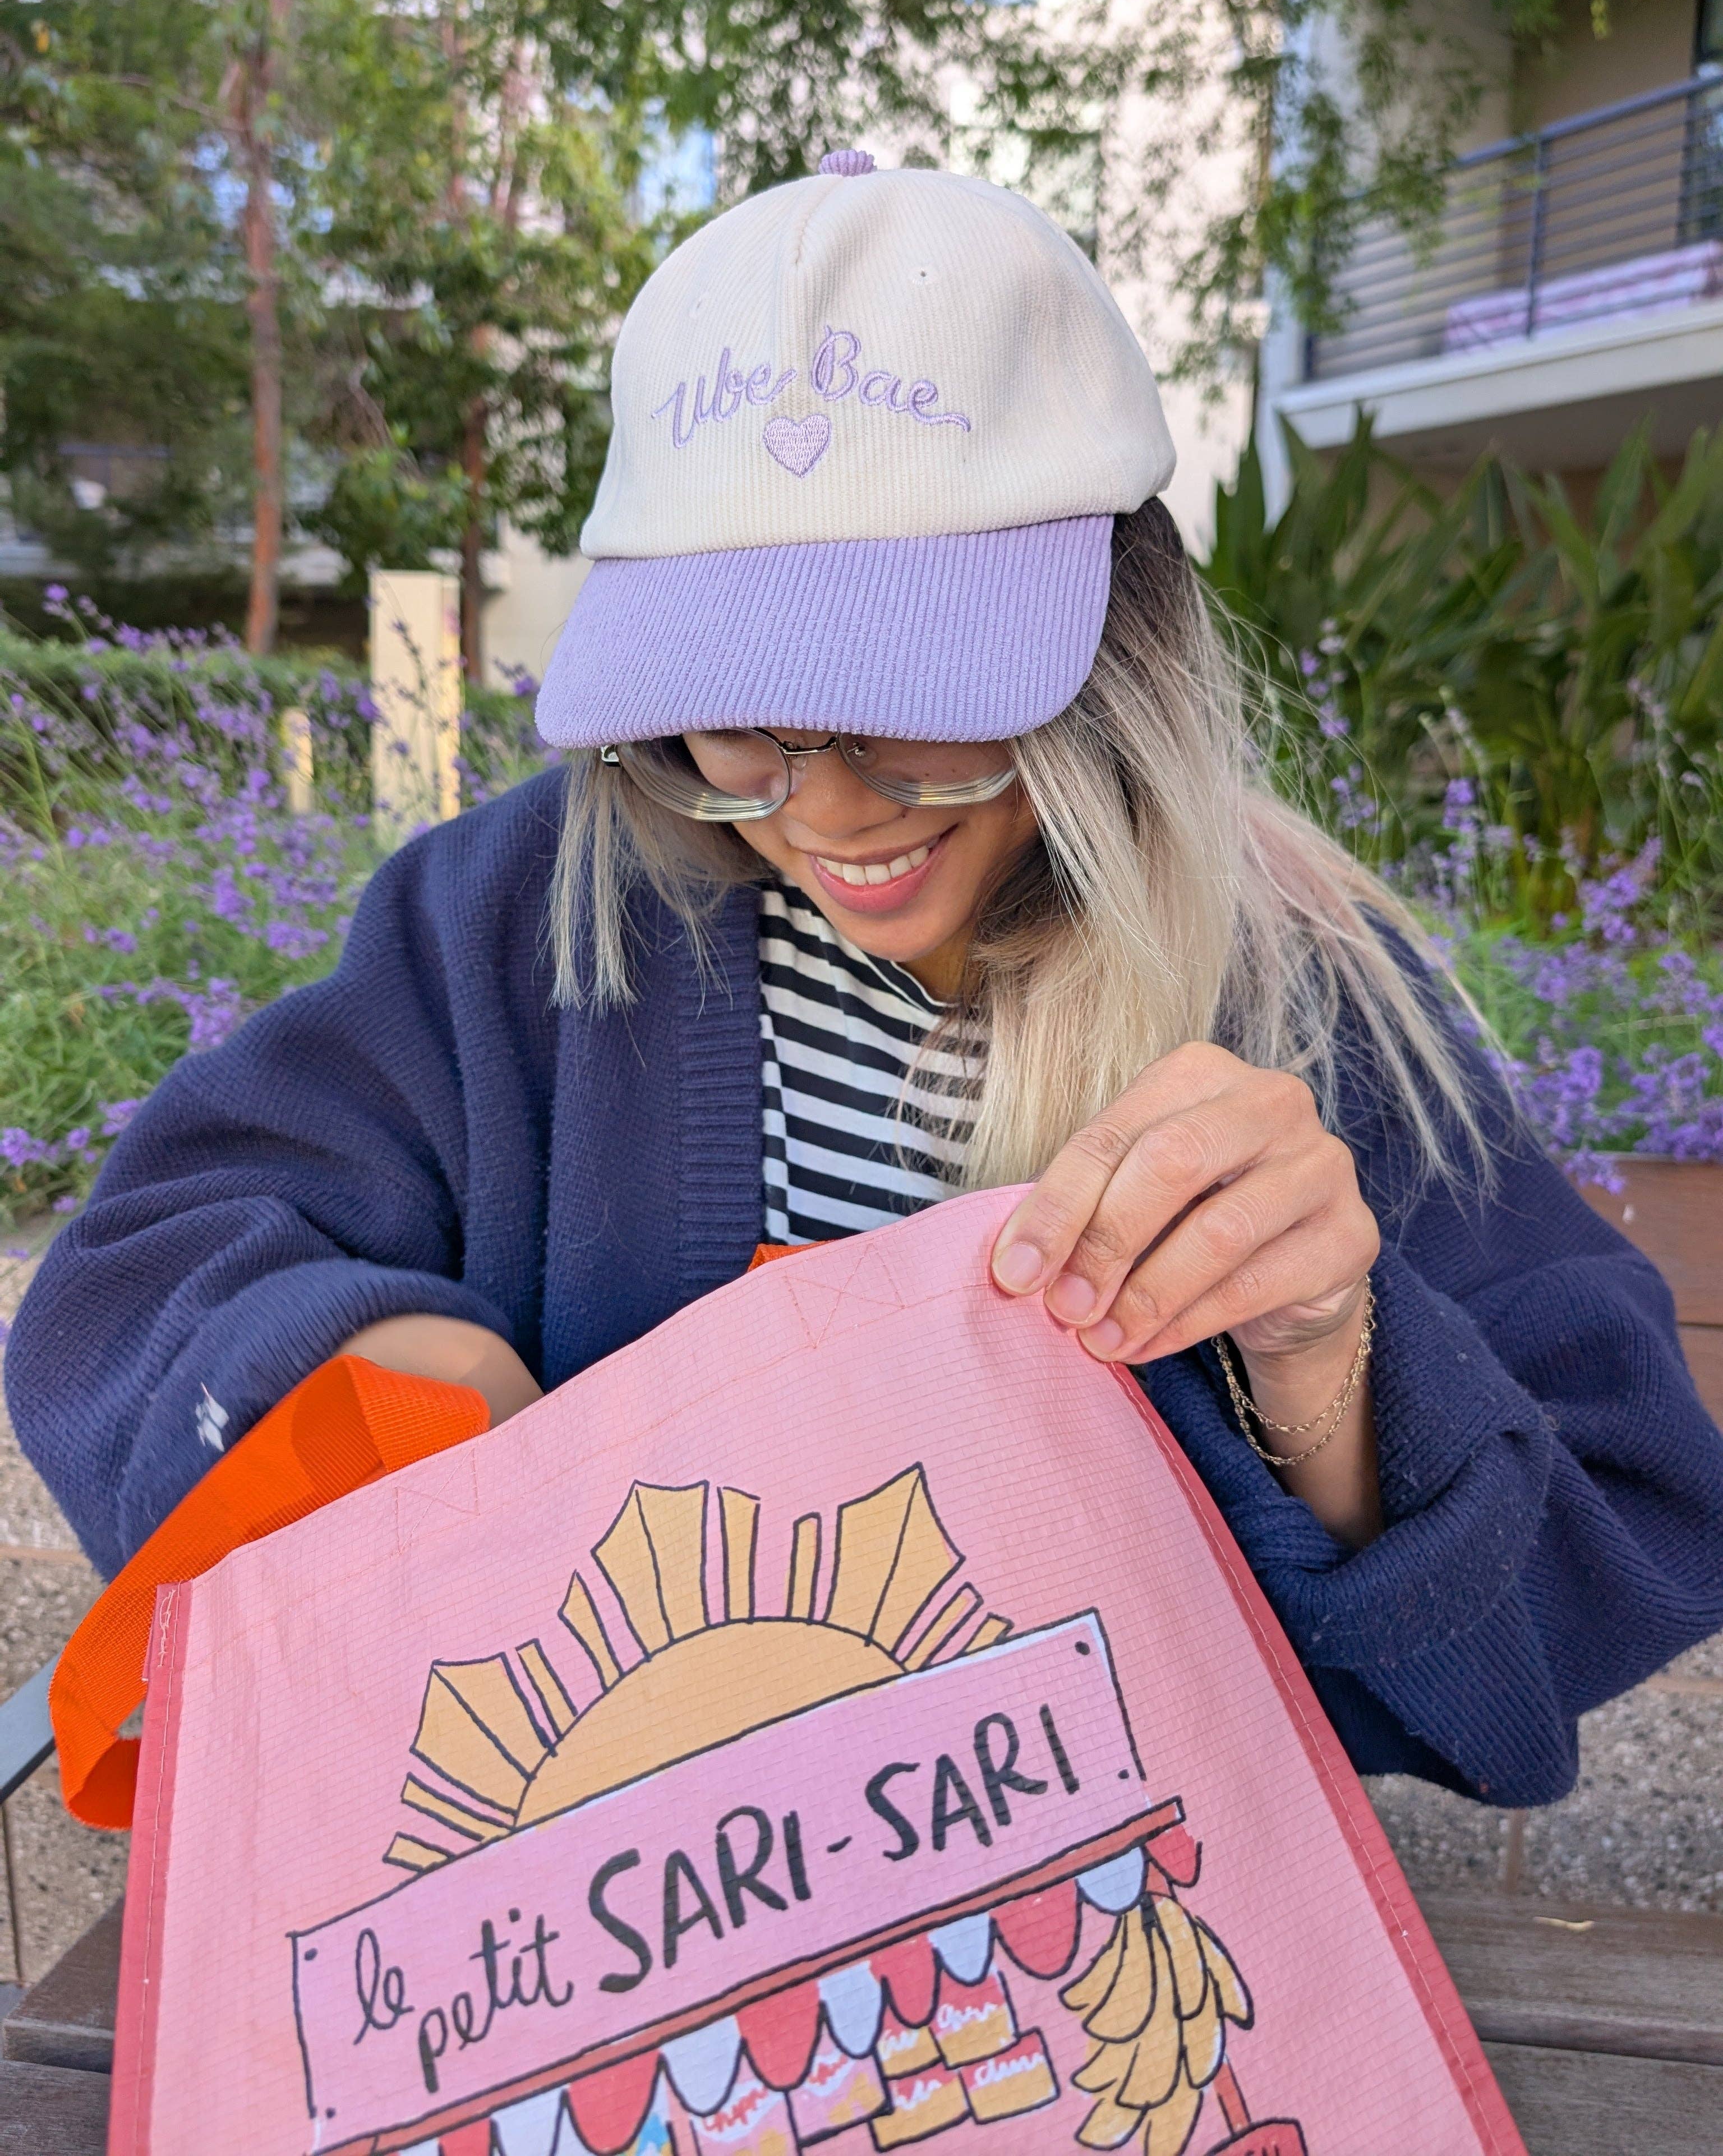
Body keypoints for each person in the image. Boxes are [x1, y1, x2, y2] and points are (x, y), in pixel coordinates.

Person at [11, 153, 1722, 1809]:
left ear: (1119, 643)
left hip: (1118, 1948)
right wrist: (396, 1375)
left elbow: (1597, 1572)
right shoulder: (523, 911)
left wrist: (1328, 1362)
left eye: (910, 690)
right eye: (737, 713)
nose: (822, 807)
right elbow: (138, 1271)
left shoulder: (1314, 998)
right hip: (601, 1924)